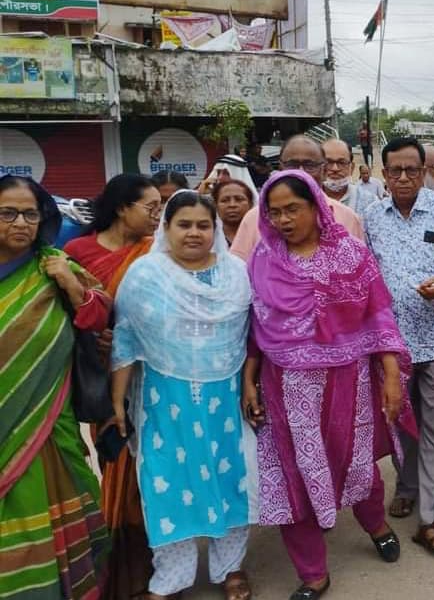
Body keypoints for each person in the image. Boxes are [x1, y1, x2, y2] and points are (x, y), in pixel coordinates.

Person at [245, 169, 416, 600]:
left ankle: (375, 523)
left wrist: (392, 377)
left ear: (316, 206)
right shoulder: (263, 259)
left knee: (355, 464)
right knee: (292, 476)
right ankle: (313, 573)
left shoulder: (350, 254)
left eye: (293, 209)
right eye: (275, 212)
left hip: (347, 380)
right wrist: (248, 381)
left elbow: (379, 316)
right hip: (282, 385)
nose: (283, 220)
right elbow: (253, 326)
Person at [109, 191, 256, 600]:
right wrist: (118, 403)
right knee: (166, 482)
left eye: (203, 225)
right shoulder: (145, 275)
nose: (194, 233)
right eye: (184, 224)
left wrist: (248, 386)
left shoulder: (236, 275)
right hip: (163, 398)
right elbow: (126, 341)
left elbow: (249, 339)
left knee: (233, 477)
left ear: (214, 230)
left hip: (225, 398)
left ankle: (231, 569)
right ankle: (171, 577)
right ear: (167, 228)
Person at [0, 175, 111, 600]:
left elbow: (102, 314)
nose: (21, 223)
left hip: (48, 426)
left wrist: (69, 282)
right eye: (8, 213)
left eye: (31, 213)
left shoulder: (53, 264)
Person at [366, 137, 434, 553]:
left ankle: (430, 516)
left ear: (423, 170)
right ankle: (406, 484)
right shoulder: (372, 216)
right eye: (396, 170)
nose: (405, 177)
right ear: (385, 173)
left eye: (413, 169)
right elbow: (366, 276)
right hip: (392, 344)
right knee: (400, 421)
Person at [64, 173, 162, 600]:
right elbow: (63, 318)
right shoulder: (76, 253)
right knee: (117, 465)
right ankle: (122, 575)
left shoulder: (159, 252)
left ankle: (156, 572)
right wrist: (96, 334)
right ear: (123, 208)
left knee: (152, 475)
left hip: (152, 376)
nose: (158, 215)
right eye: (151, 206)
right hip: (100, 380)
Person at [229, 135, 364, 262]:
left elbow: (360, 275)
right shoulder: (254, 218)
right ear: (280, 168)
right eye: (292, 164)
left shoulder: (348, 218)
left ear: (323, 171)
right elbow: (238, 277)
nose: (300, 172)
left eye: (309, 165)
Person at [321, 138, 371, 217]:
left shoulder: (369, 203)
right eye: (328, 162)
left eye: (341, 162)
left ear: (352, 167)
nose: (335, 169)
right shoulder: (307, 200)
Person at [211, 179, 254, 245]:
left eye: (239, 199)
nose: (232, 205)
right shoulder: (209, 238)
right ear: (215, 205)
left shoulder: (261, 237)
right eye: (225, 200)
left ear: (251, 204)